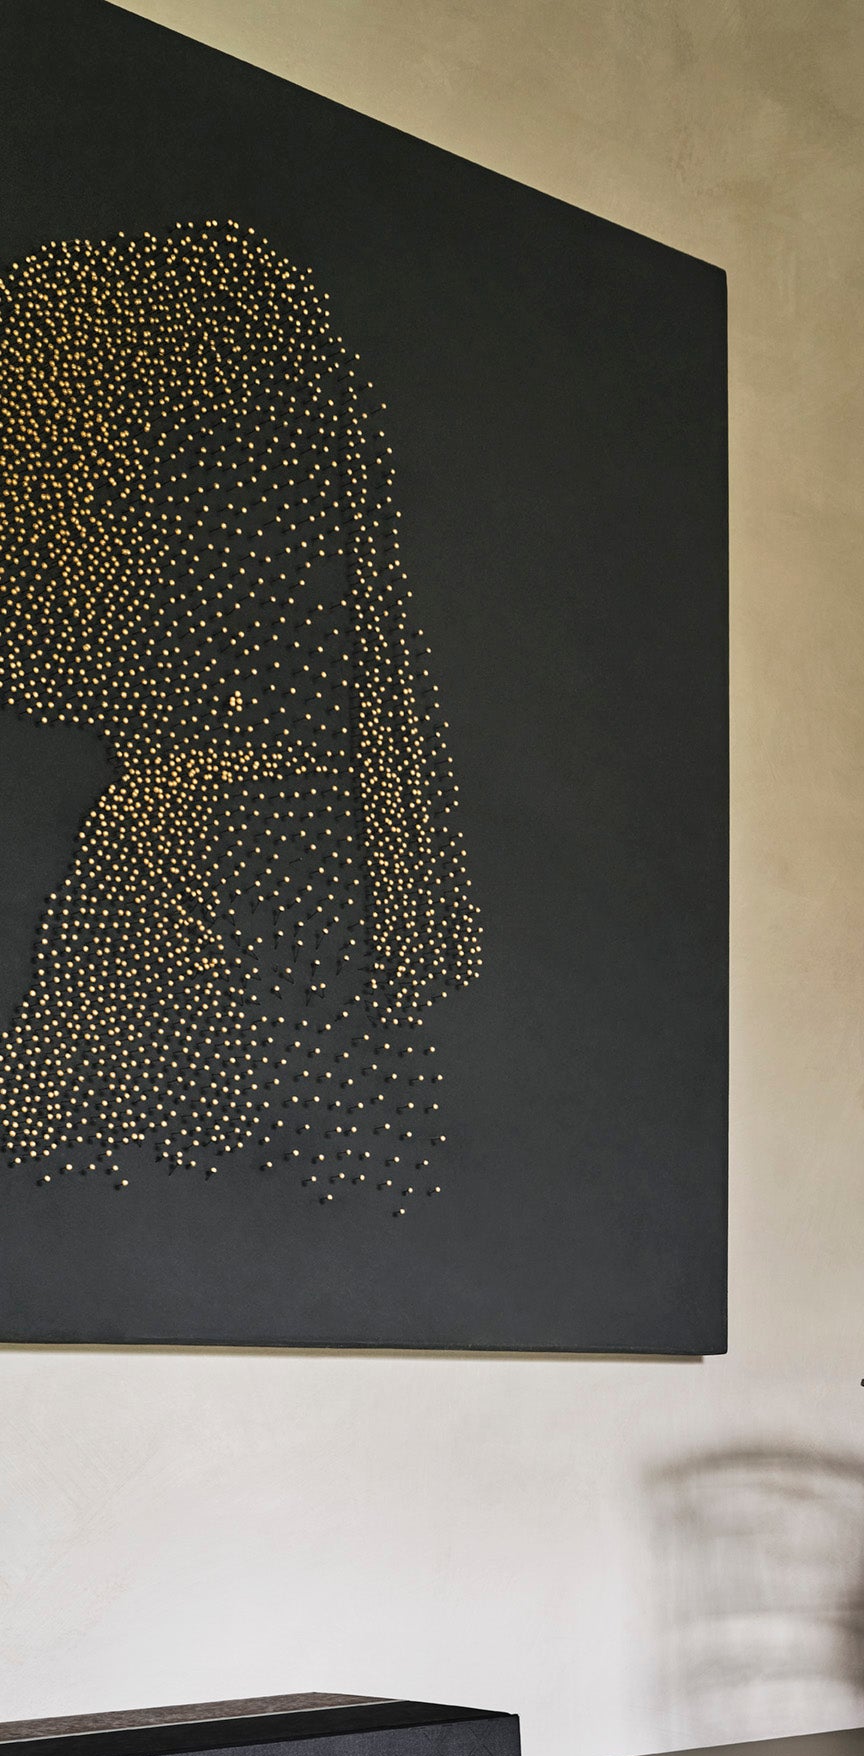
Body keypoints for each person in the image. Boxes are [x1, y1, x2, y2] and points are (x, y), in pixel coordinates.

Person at [0, 218, 481, 1209]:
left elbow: (142, 1194)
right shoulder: (214, 819)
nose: (29, 544)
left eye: (81, 494)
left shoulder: (226, 845)